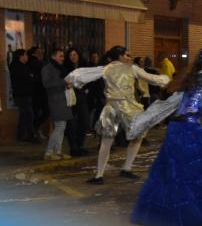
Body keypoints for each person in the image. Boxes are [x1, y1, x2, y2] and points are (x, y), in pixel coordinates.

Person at [129, 45, 202, 226]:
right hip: (186, 130)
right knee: (195, 172)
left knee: (177, 173)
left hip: (182, 128)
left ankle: (168, 215)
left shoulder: (197, 77)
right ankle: (193, 214)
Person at [66, 46, 170, 184]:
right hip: (128, 108)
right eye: (127, 55)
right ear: (120, 57)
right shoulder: (132, 68)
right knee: (136, 137)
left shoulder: (106, 68)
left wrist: (71, 78)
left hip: (111, 107)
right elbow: (153, 79)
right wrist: (166, 79)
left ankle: (100, 175)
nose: (130, 57)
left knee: (107, 141)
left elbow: (83, 74)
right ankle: (125, 168)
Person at [41, 49, 73, 160]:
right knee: (59, 126)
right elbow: (46, 84)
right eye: (60, 56)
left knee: (62, 127)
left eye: (63, 56)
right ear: (53, 57)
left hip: (63, 99)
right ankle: (49, 152)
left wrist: (68, 85)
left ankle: (58, 151)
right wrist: (63, 82)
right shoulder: (47, 68)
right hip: (55, 100)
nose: (63, 58)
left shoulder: (60, 68)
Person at [64, 48, 90, 156]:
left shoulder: (84, 67)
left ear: (79, 55)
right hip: (71, 98)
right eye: (70, 55)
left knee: (84, 122)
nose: (73, 57)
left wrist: (86, 88)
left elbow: (90, 80)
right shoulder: (65, 68)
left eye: (75, 54)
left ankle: (80, 145)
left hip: (82, 97)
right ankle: (73, 147)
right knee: (72, 124)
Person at [9, 49, 38, 143]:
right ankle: (27, 135)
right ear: (21, 56)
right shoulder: (16, 66)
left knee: (26, 115)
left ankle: (24, 135)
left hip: (26, 94)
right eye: (26, 55)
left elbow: (32, 76)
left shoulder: (24, 66)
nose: (27, 57)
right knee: (27, 115)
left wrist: (31, 76)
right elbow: (27, 78)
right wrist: (31, 77)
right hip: (21, 95)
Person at [27, 46, 49, 140]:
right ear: (34, 54)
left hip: (39, 92)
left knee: (41, 112)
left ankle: (35, 130)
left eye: (42, 52)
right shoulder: (35, 63)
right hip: (38, 92)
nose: (41, 54)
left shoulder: (38, 62)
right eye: (39, 52)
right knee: (41, 112)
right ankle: (34, 130)